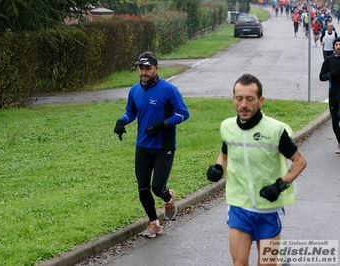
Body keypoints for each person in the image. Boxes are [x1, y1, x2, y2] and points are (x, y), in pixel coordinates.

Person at [207, 73, 307, 266]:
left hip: (269, 208)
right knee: (239, 262)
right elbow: (225, 155)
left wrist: (279, 186)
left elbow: (300, 162)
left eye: (249, 99)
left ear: (260, 101)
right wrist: (218, 167)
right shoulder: (227, 127)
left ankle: (278, 262)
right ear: (233, 99)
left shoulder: (276, 130)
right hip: (239, 204)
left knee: (266, 264)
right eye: (239, 99)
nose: (244, 104)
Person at [113, 51, 190, 238]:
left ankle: (168, 197)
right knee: (143, 187)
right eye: (141, 68)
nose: (144, 72)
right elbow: (131, 111)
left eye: (148, 68)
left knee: (157, 187)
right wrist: (122, 121)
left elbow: (183, 113)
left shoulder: (169, 89)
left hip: (164, 146)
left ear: (156, 69)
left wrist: (165, 123)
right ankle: (154, 223)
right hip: (143, 145)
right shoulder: (134, 90)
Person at [319, 37, 340, 154]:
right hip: (333, 93)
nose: (338, 47)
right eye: (336, 44)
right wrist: (330, 75)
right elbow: (321, 77)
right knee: (335, 120)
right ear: (333, 46)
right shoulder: (328, 60)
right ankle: (339, 142)